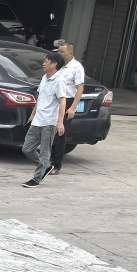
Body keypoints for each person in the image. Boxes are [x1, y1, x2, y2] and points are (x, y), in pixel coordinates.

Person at [23, 49, 65, 187]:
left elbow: (62, 101)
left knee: (44, 152)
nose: (43, 64)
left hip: (49, 122)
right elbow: (40, 98)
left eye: (46, 61)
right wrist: (32, 115)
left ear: (54, 64)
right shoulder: (44, 78)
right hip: (37, 120)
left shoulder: (59, 80)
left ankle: (37, 178)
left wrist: (60, 122)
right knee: (27, 149)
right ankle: (46, 166)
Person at [49, 38, 85, 174]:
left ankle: (56, 164)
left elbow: (80, 88)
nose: (59, 54)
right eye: (58, 51)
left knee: (60, 133)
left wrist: (73, 107)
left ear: (70, 53)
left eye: (62, 52)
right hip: (55, 101)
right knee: (49, 130)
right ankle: (46, 160)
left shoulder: (76, 67)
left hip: (68, 101)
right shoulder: (58, 66)